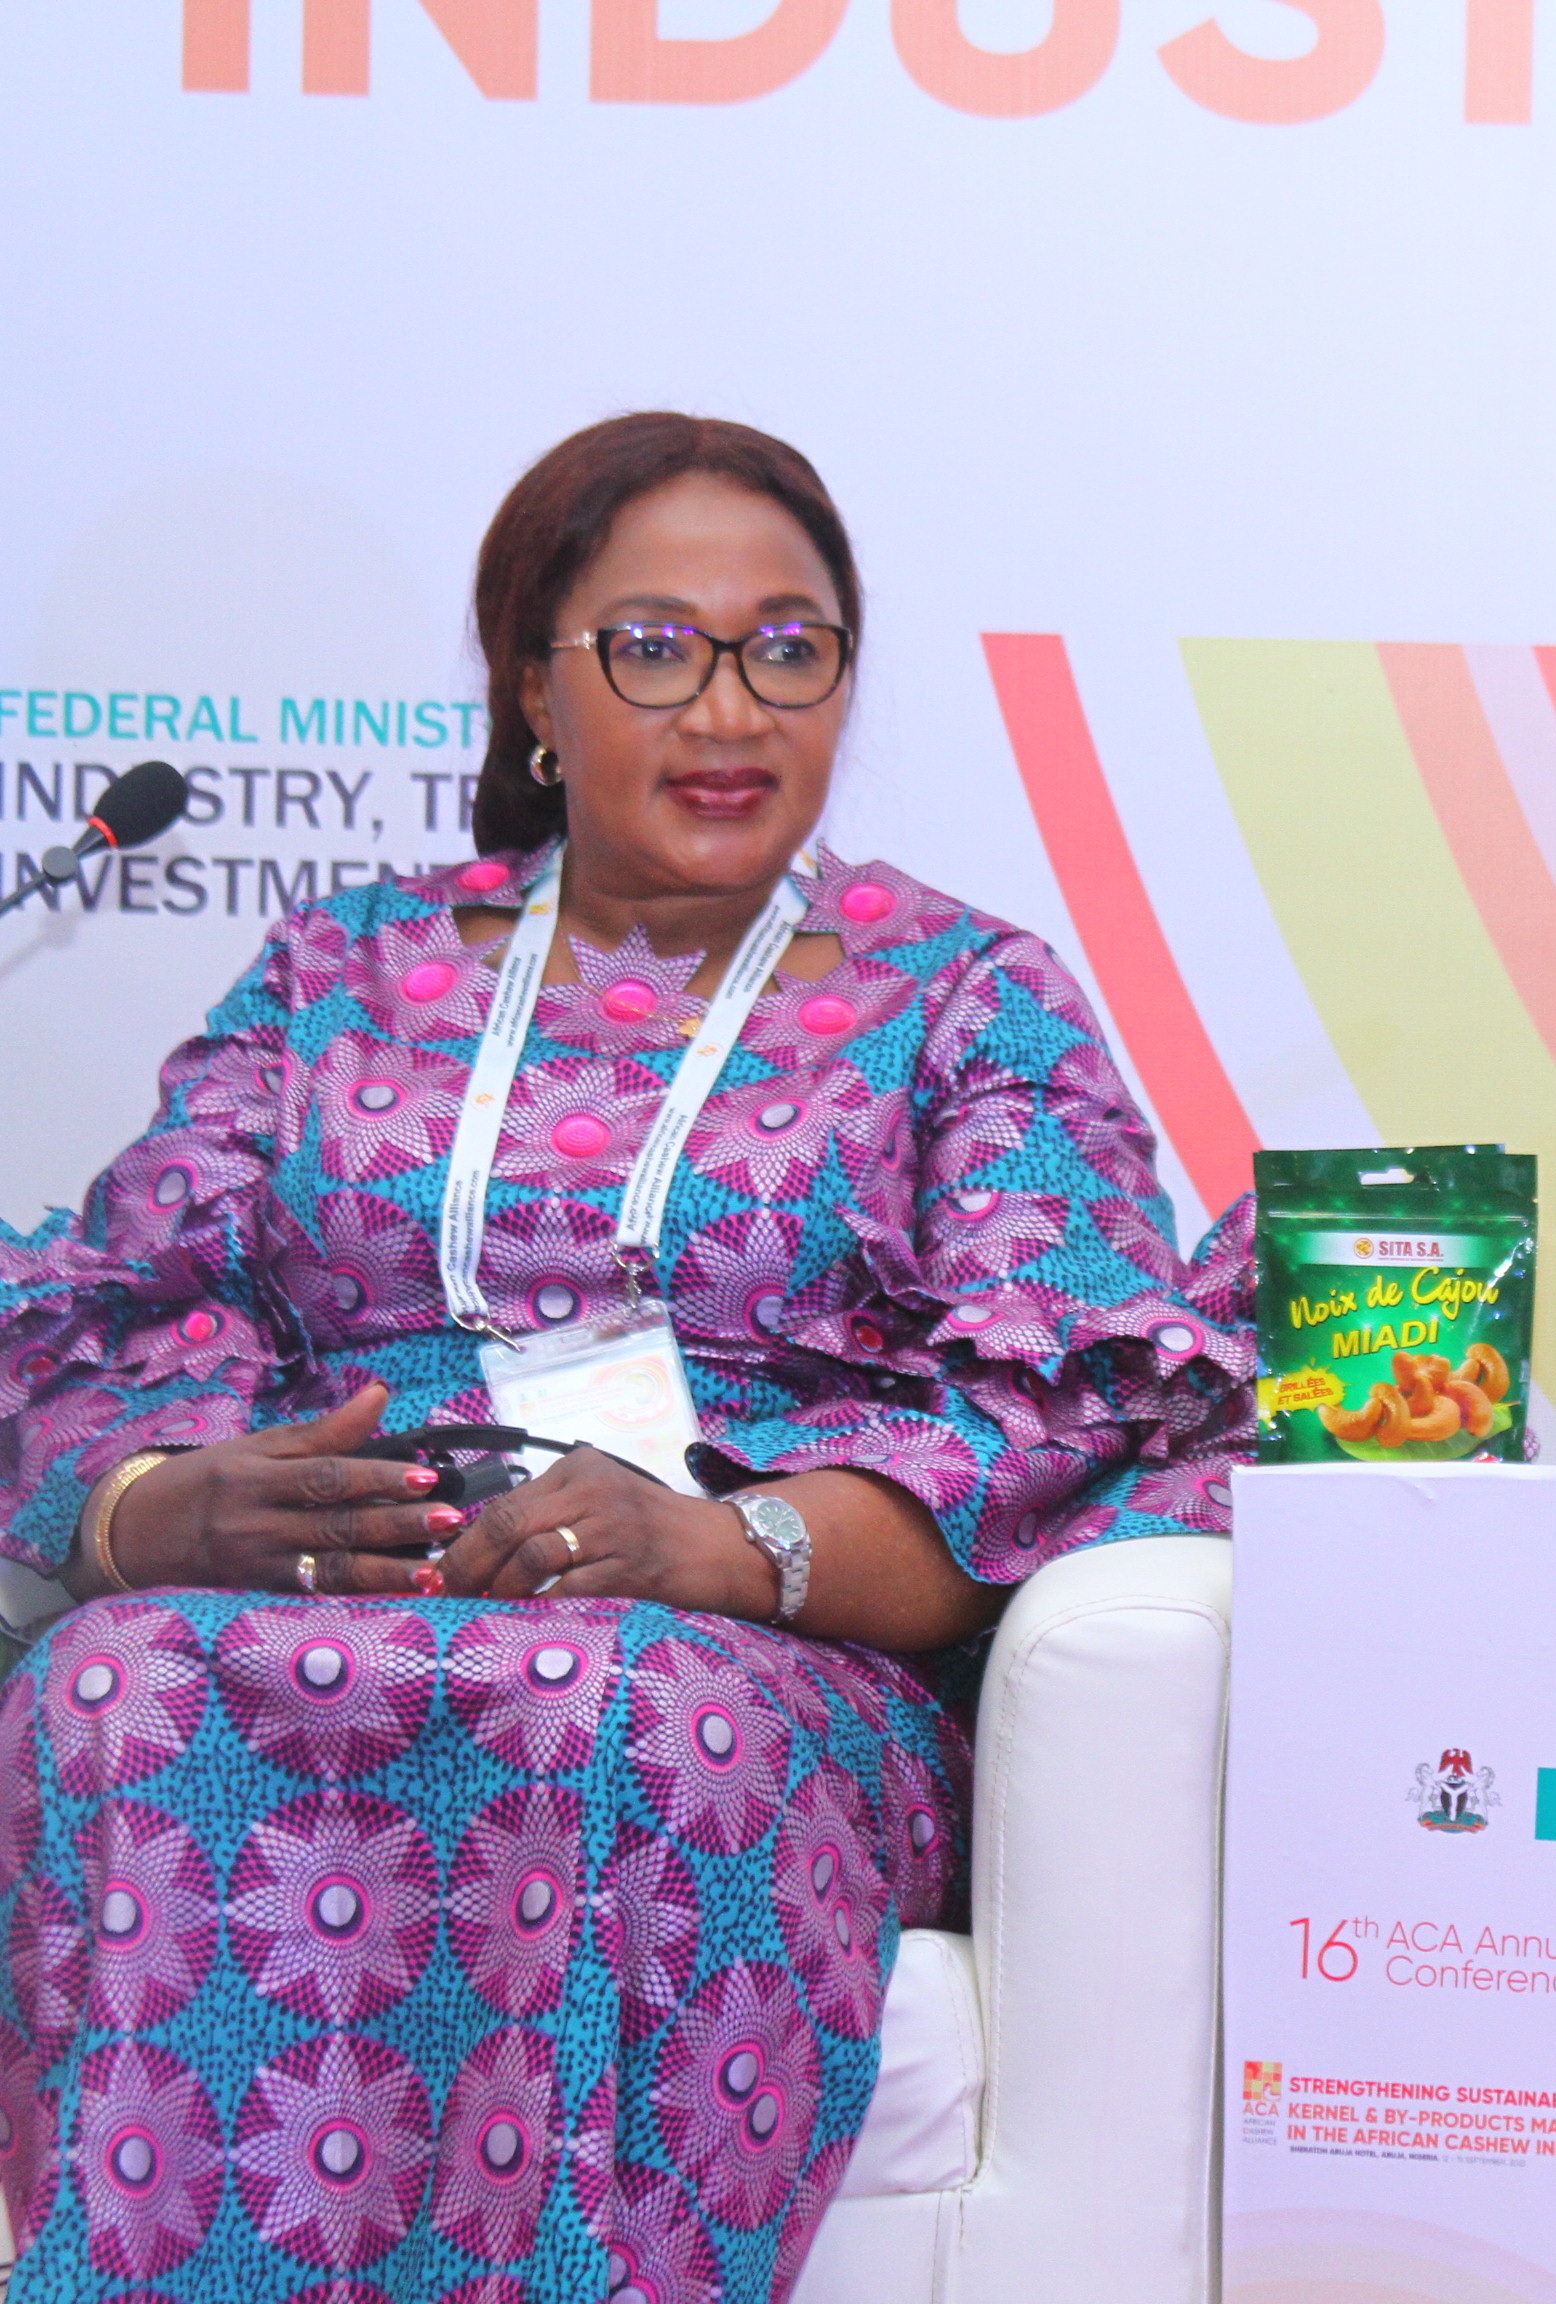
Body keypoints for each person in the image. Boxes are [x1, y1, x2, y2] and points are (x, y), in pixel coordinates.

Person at [0, 414, 1255, 2300]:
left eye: (790, 648)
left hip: (749, 1650)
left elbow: (1058, 1404)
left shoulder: (963, 998)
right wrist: (161, 1509)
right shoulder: (338, 973)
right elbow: (112, 1299)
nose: (730, 709)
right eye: (657, 648)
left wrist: (726, 1551)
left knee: (628, 1703)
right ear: (535, 686)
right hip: (337, 1591)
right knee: (112, 1681)